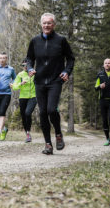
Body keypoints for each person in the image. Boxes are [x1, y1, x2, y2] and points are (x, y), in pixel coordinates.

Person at [26, 13, 75, 155]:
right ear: (41, 24)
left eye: (49, 23)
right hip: (40, 81)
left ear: (54, 25)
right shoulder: (35, 41)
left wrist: (67, 71)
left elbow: (71, 58)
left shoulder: (61, 40)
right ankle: (48, 144)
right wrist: (29, 68)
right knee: (42, 113)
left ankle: (58, 134)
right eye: (44, 23)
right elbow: (29, 58)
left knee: (52, 110)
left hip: (55, 80)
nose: (46, 25)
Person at [11, 59, 37, 143]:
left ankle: (28, 131)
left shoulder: (35, 74)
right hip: (22, 98)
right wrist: (20, 84)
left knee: (28, 113)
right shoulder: (20, 75)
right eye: (23, 66)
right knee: (23, 116)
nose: (25, 67)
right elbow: (14, 87)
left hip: (33, 97)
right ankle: (27, 134)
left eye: (26, 65)